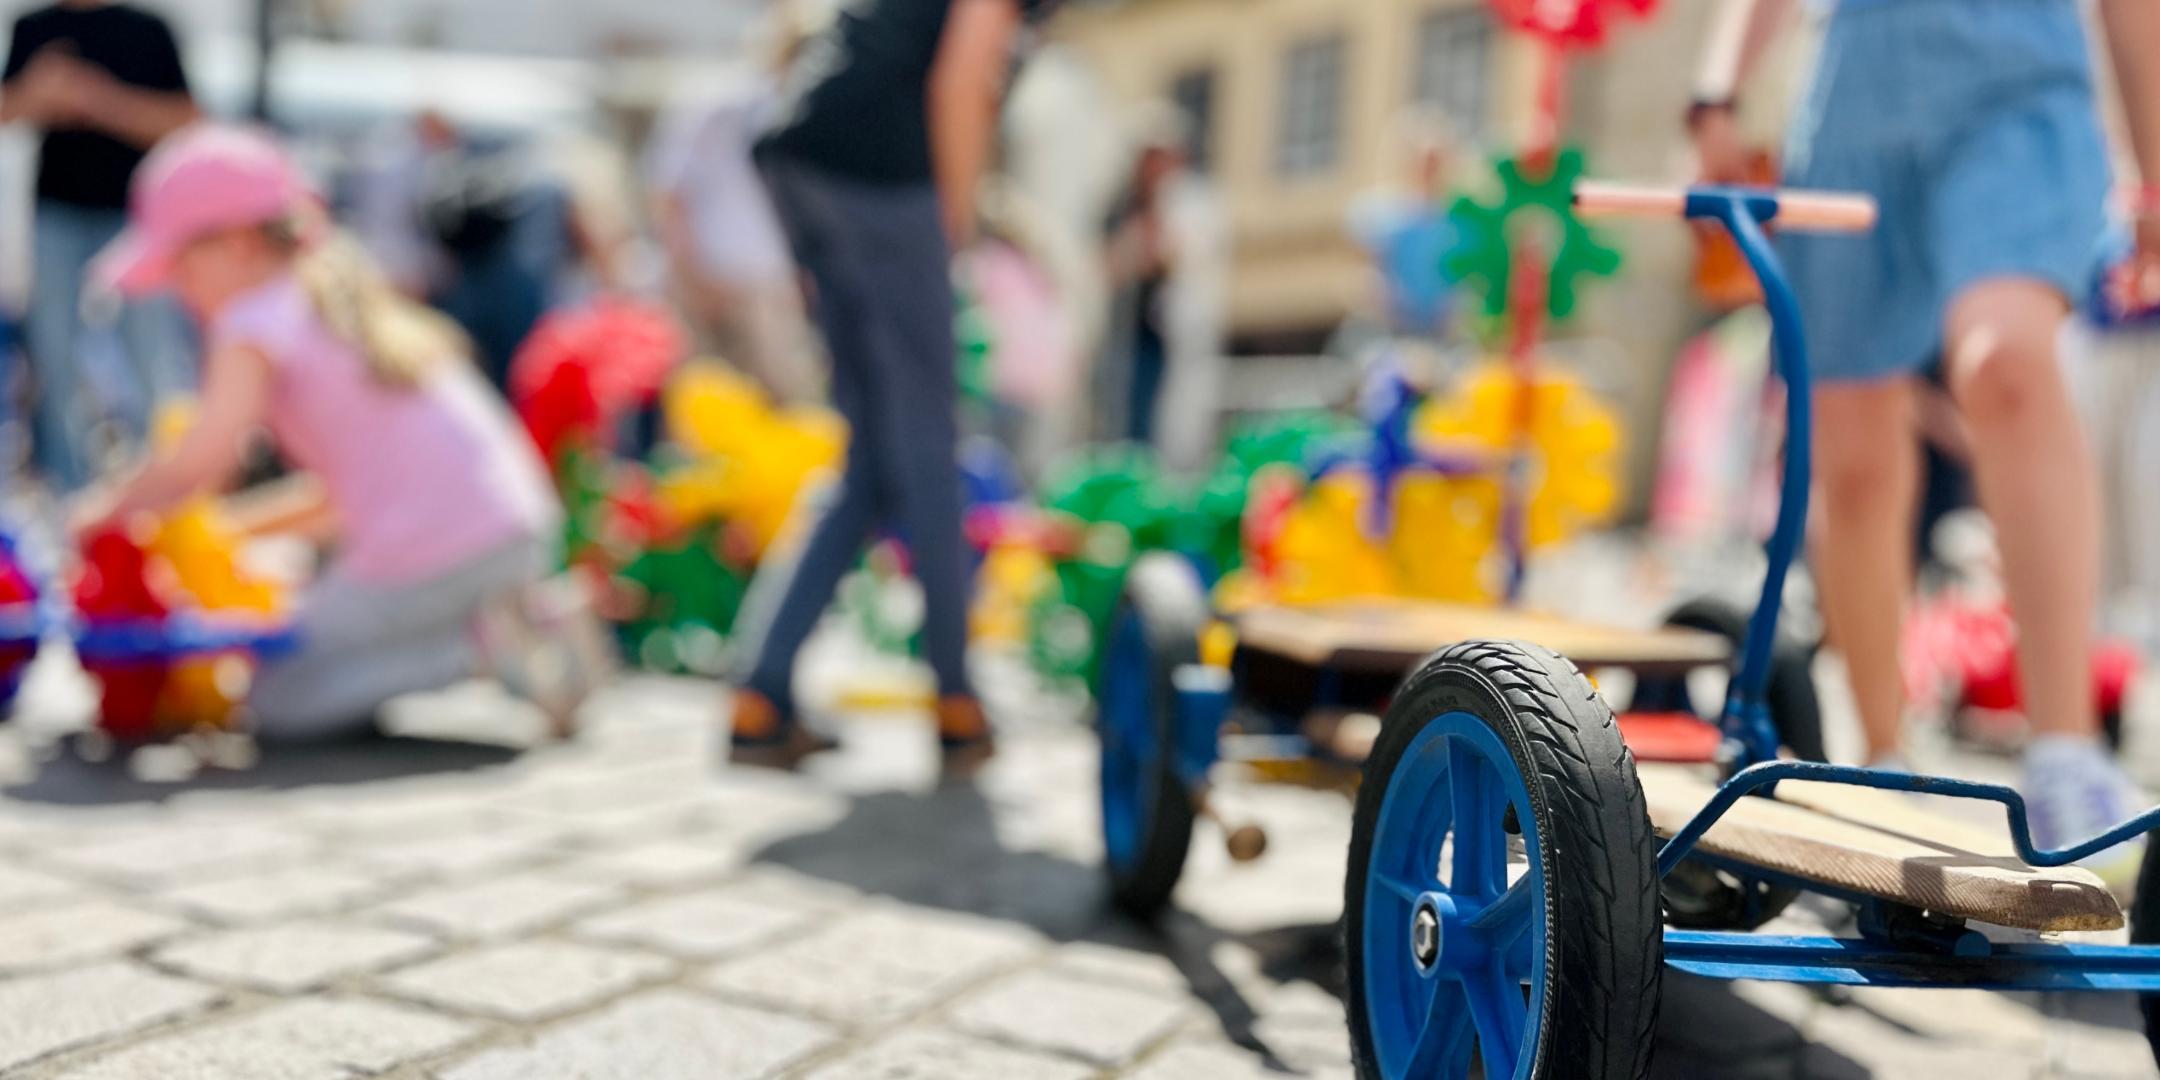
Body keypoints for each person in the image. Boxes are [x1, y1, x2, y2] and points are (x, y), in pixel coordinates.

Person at [1692, 0, 2160, 874]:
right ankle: (1882, 756)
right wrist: (1715, 95)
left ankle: (2066, 752)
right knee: (1855, 455)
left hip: (2020, 94)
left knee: (2006, 366)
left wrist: (2154, 169)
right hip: (1854, 101)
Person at [72, 125, 569, 739]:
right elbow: (344, 500)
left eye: (181, 265)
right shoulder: (325, 301)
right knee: (312, 633)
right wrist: (235, 531)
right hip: (511, 530)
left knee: (276, 695)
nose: (178, 288)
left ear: (238, 244)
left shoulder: (251, 321)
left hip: (441, 552)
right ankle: (504, 626)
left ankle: (482, 650)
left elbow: (201, 460)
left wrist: (101, 513)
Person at [725, 0, 1063, 775]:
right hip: (881, 170)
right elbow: (961, 82)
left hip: (803, 154)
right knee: (931, 455)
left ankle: (760, 697)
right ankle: (958, 704)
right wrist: (955, 228)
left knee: (875, 460)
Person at [2, 0, 198, 494]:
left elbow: (186, 121)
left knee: (151, 354)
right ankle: (68, 495)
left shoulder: (148, 29)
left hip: (136, 218)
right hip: (56, 216)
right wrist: (37, 92)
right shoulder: (35, 28)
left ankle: (161, 486)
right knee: (53, 355)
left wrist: (101, 100)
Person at [647, 75, 817, 405]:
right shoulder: (717, 107)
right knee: (704, 402)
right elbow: (670, 197)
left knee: (783, 402)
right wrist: (688, 275)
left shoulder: (796, 105)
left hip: (772, 289)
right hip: (714, 281)